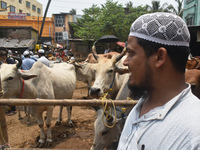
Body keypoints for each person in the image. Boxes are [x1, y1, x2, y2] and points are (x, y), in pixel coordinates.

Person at [117, 12, 200, 150]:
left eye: (131, 53)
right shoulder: (138, 109)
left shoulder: (194, 131)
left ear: (160, 57)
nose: (125, 62)